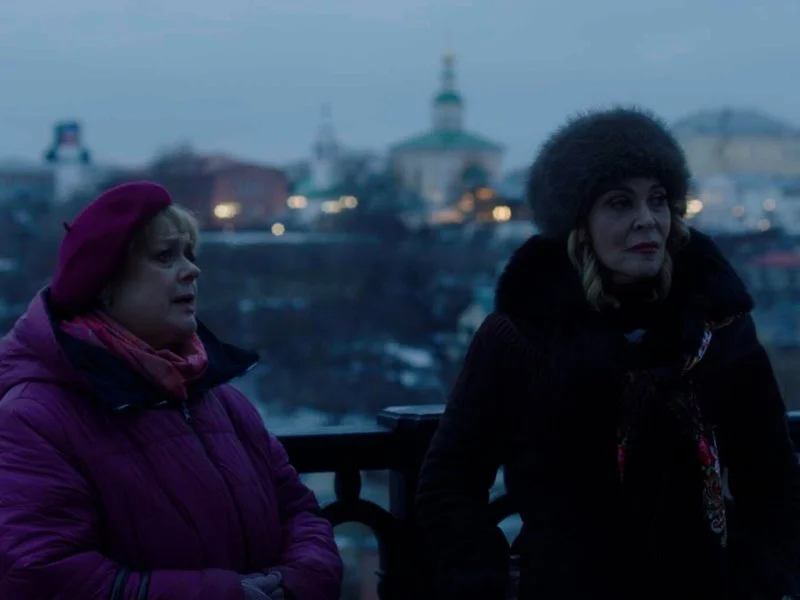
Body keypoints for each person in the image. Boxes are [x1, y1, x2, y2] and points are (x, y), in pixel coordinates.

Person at [415, 107, 800, 600]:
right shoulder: (521, 338)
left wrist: (754, 577)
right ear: (579, 221)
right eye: (620, 203)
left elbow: (772, 475)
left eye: (658, 200)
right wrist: (491, 579)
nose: (647, 220)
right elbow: (450, 480)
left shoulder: (719, 328)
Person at [0, 181, 343, 599]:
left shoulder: (223, 401)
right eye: (165, 256)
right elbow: (47, 574)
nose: (192, 271)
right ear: (104, 284)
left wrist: (297, 581)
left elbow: (299, 512)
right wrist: (224, 595)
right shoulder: (32, 418)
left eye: (189, 255)